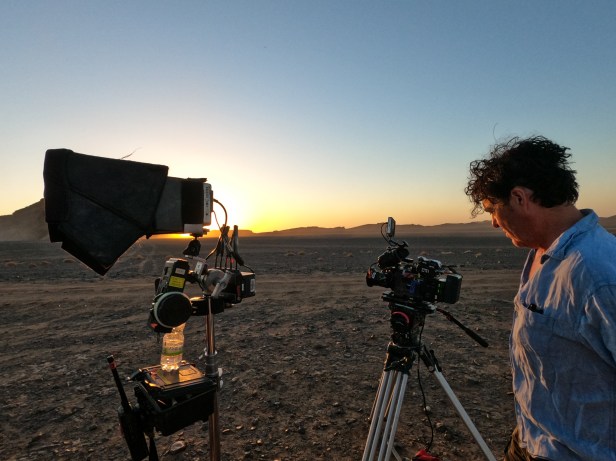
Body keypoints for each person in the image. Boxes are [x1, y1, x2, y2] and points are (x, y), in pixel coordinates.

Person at [464, 136, 616, 461]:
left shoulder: (597, 275)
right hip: (531, 436)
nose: (494, 223)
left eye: (493, 211)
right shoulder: (542, 251)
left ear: (519, 198)